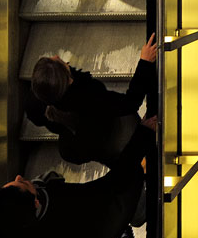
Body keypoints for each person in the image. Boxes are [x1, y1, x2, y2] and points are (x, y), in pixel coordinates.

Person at [0, 125, 150, 238]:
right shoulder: (67, 207)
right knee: (133, 209)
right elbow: (110, 186)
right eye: (23, 184)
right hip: (95, 232)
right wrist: (143, 134)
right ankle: (135, 220)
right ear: (36, 203)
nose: (19, 176)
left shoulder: (16, 226)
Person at [26, 33, 157, 166]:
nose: (57, 56)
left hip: (95, 146)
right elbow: (130, 103)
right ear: (68, 80)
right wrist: (145, 63)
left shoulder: (40, 97)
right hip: (115, 140)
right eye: (55, 61)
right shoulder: (88, 97)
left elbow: (38, 119)